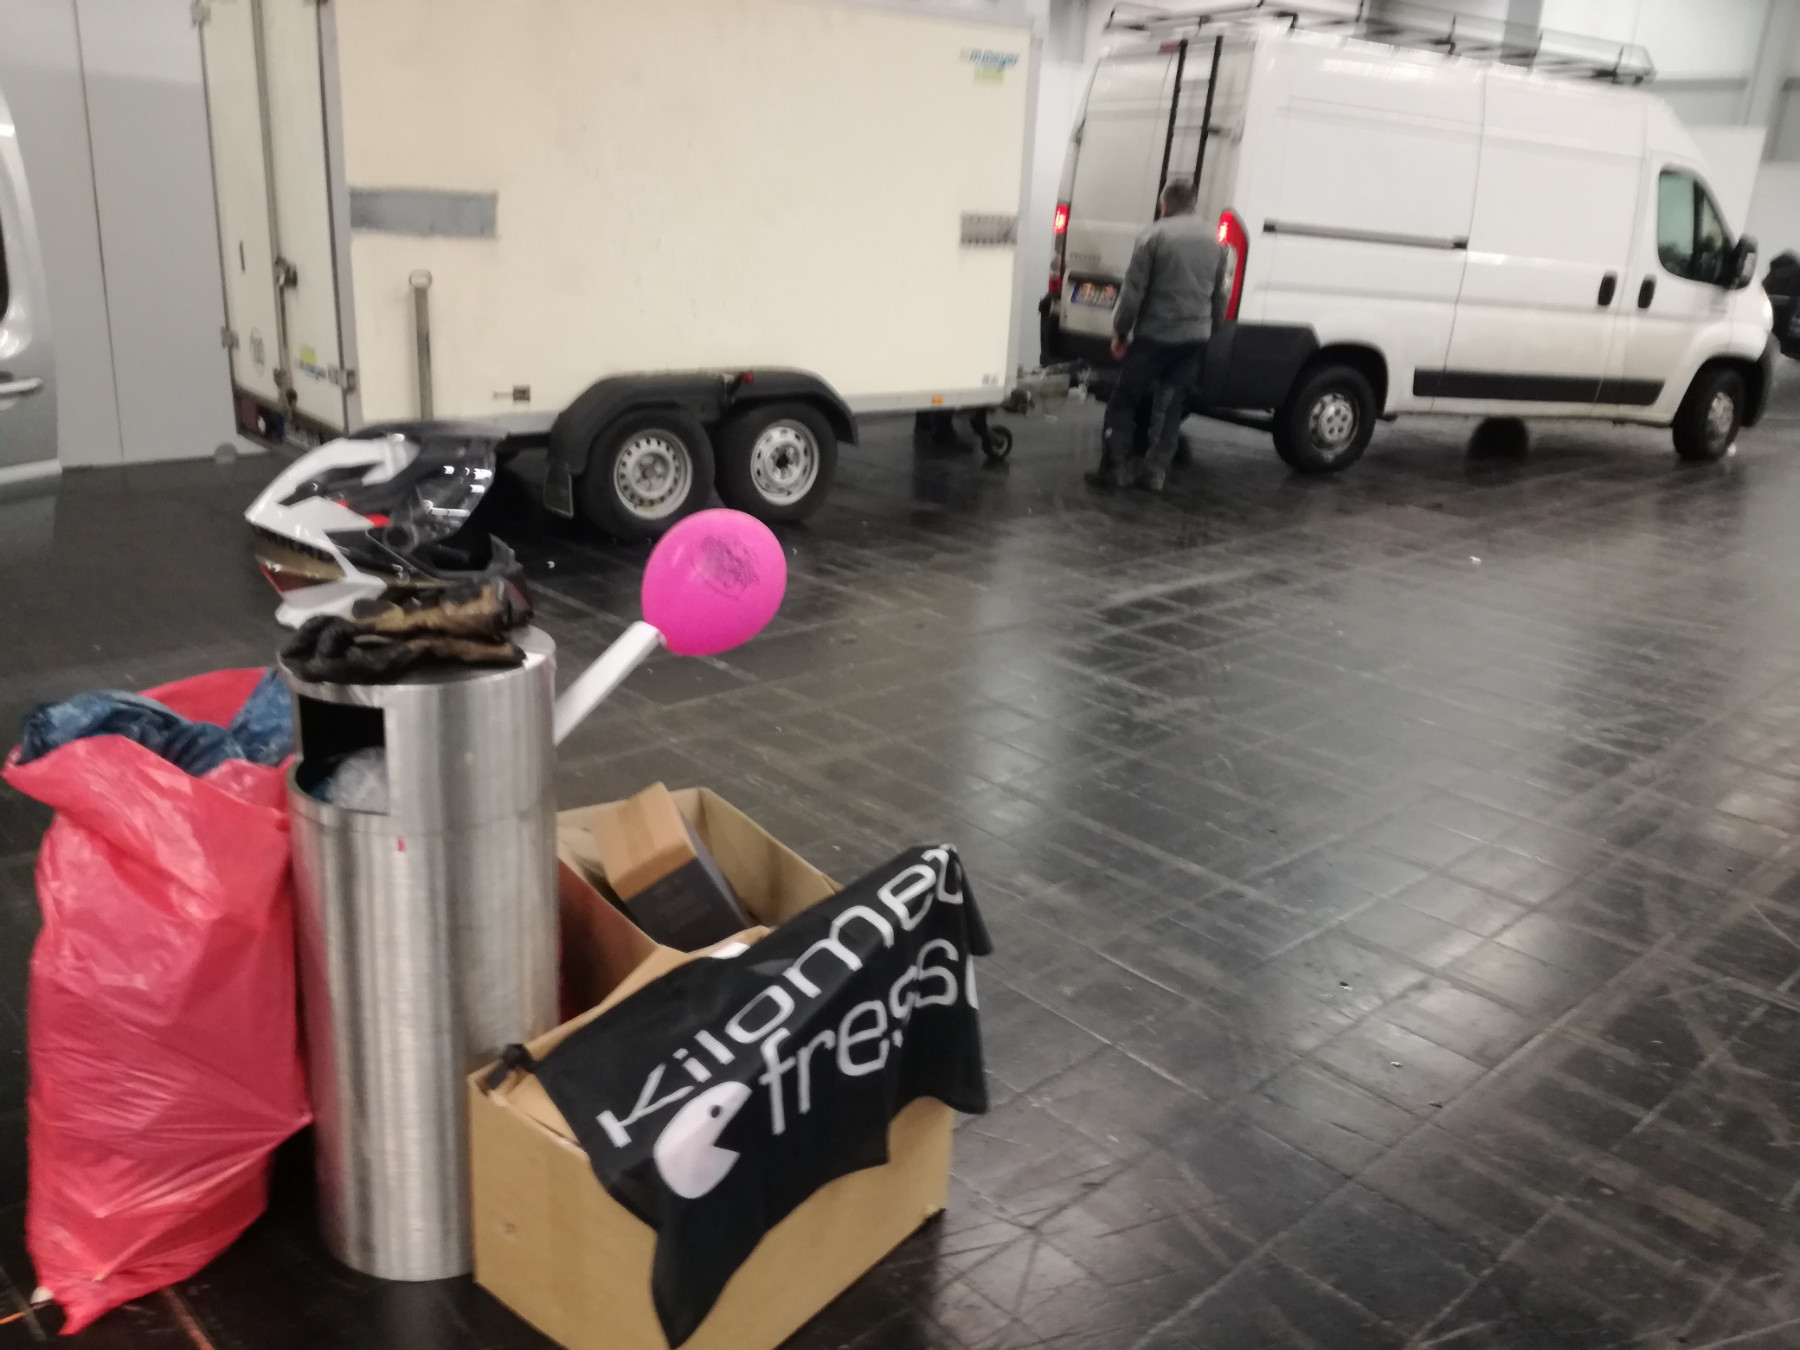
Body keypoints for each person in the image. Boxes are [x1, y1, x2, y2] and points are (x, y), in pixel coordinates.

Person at [1087, 179, 1227, 493]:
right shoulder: (1215, 240)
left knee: (1124, 399)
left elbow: (1133, 293)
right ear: (1192, 204)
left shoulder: (1154, 236)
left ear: (1164, 205)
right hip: (1194, 338)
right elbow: (1220, 294)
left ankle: (1115, 468)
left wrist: (1121, 331)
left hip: (1155, 336)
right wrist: (1212, 330)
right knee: (1171, 405)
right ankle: (1155, 473)